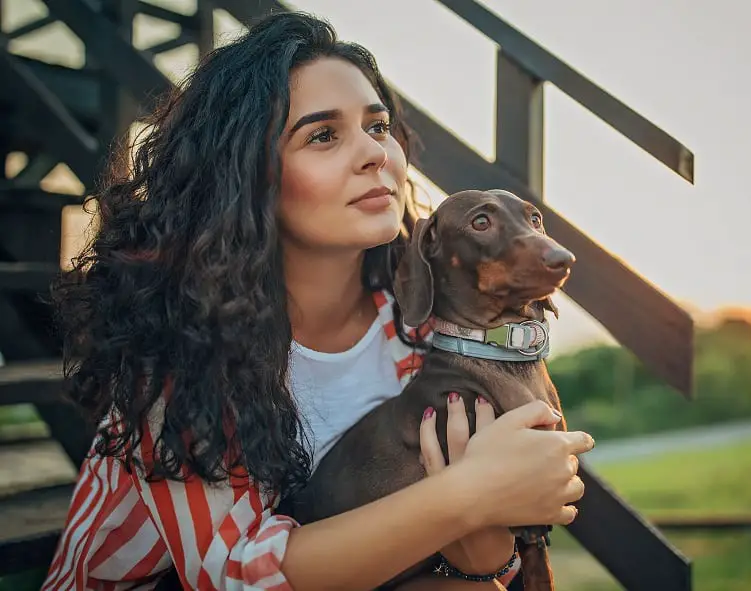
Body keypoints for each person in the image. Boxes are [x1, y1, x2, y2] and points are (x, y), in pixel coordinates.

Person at [42, 11, 593, 591]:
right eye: (323, 135)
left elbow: (476, 559)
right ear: (247, 177)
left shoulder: (414, 327)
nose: (374, 154)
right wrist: (468, 497)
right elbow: (235, 574)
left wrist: (486, 544)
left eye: (377, 127)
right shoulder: (179, 347)